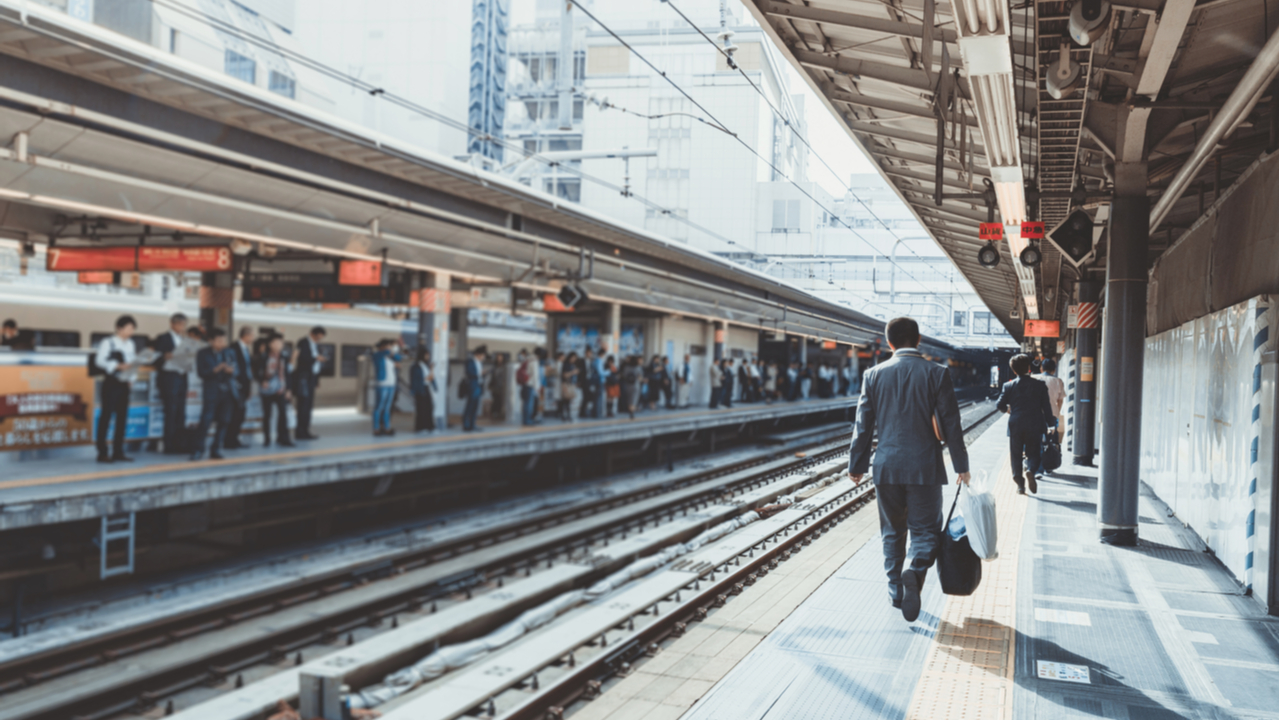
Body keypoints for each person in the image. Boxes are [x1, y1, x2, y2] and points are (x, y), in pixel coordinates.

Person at [847, 317, 970, 622]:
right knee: (925, 529)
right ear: (918, 340)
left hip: (886, 466)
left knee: (892, 529)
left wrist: (856, 465)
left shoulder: (873, 375)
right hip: (925, 466)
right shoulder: (936, 373)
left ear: (889, 343)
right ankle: (914, 571)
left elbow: (863, 426)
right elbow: (951, 424)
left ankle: (895, 590)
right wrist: (961, 466)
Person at [996, 353, 1057, 494]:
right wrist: (1051, 424)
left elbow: (999, 404)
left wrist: (1008, 410)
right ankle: (1030, 470)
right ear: (1029, 367)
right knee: (1034, 452)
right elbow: (1047, 407)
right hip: (1035, 423)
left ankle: (1020, 485)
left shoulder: (1008, 385)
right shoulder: (1040, 385)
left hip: (1016, 424)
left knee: (1015, 454)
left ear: (1014, 370)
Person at [95, 315, 138, 463]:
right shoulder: (108, 342)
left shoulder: (131, 344)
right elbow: (99, 361)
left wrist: (132, 379)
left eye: (133, 329)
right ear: (119, 328)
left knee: (122, 418)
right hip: (111, 383)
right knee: (106, 417)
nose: (131, 331)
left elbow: (133, 363)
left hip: (125, 383)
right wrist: (118, 366)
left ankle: (118, 451)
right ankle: (102, 452)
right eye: (129, 328)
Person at [191, 328, 237, 461]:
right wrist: (216, 369)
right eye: (218, 341)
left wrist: (231, 371)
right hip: (211, 390)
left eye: (223, 340)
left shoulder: (230, 352)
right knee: (206, 420)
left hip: (227, 391)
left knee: (224, 421)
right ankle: (198, 449)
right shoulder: (202, 353)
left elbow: (237, 370)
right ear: (211, 341)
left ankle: (216, 448)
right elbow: (201, 373)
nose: (222, 343)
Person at [151, 313, 189, 454]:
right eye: (179, 324)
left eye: (184, 324)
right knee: (170, 413)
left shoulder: (185, 340)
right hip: (169, 379)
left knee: (181, 413)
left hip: (182, 377)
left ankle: (180, 444)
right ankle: (169, 445)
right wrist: (164, 356)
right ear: (172, 324)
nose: (182, 327)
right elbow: (155, 358)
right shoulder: (163, 338)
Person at [253, 333, 293, 447]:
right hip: (267, 390)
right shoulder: (263, 356)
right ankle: (267, 439)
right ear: (270, 344)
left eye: (281, 342)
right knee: (267, 415)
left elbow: (288, 374)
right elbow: (256, 372)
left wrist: (289, 389)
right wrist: (262, 381)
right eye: (276, 342)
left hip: (281, 389)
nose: (279, 345)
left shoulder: (284, 356)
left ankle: (283, 438)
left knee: (283, 414)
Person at [292, 326, 327, 441]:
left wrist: (317, 380)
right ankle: (300, 431)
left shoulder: (315, 345)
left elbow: (316, 366)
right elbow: (301, 359)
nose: (318, 339)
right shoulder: (303, 342)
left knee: (309, 406)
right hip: (303, 378)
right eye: (317, 337)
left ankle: (306, 430)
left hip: (311, 378)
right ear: (312, 333)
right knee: (303, 405)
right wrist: (316, 358)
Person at [224, 326, 255, 449]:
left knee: (241, 414)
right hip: (235, 387)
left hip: (244, 386)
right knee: (234, 414)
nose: (253, 338)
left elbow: (247, 369)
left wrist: (249, 388)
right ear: (246, 335)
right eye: (252, 335)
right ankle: (229, 440)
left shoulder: (246, 349)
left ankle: (235, 438)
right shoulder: (233, 348)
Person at [371, 338, 404, 436]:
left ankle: (387, 427)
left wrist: (393, 352)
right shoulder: (377, 355)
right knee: (378, 407)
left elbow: (399, 358)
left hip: (391, 384)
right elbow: (384, 352)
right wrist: (389, 349)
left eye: (390, 346)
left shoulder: (390, 356)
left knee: (387, 408)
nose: (390, 348)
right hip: (382, 384)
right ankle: (376, 428)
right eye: (388, 346)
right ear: (382, 347)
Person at [1033, 358, 1066, 443]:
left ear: (1041, 368)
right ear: (1054, 370)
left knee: (1033, 437)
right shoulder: (1058, 381)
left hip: (1034, 413)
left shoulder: (1033, 378)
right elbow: (1060, 400)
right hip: (1052, 414)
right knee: (1051, 437)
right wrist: (1057, 413)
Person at [410, 347, 437, 433]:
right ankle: (420, 427)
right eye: (426, 354)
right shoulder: (416, 366)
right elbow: (415, 379)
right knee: (421, 409)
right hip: (420, 388)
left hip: (426, 388)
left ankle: (429, 426)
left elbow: (430, 376)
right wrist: (426, 379)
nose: (428, 356)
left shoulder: (426, 365)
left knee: (429, 407)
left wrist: (431, 368)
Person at [463, 345, 487, 432]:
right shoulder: (470, 361)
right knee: (470, 405)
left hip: (479, 385)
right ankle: (466, 424)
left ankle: (472, 424)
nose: (484, 357)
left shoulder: (480, 363)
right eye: (483, 355)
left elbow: (480, 374)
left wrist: (484, 374)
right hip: (472, 386)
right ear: (478, 354)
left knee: (475, 406)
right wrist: (480, 373)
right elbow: (469, 372)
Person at [560, 351, 580, 422]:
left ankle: (568, 415)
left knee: (569, 400)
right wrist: (573, 372)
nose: (574, 359)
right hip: (566, 384)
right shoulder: (566, 364)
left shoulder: (573, 365)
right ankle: (564, 415)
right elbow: (564, 375)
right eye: (574, 358)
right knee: (565, 400)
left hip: (571, 384)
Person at [546, 352, 563, 421]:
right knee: (557, 398)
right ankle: (557, 412)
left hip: (558, 383)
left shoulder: (557, 363)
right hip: (555, 382)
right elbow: (550, 372)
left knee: (559, 398)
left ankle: (559, 412)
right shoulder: (555, 363)